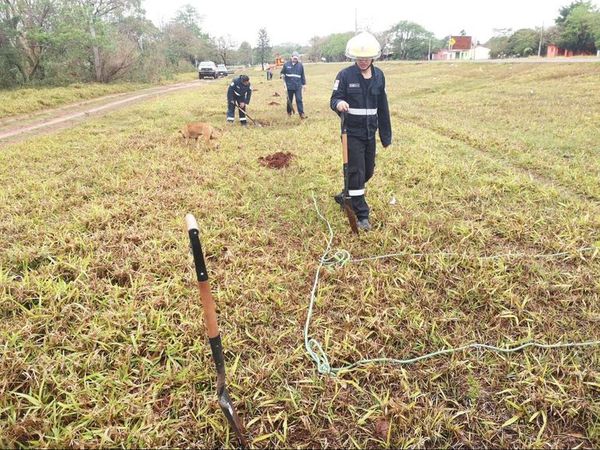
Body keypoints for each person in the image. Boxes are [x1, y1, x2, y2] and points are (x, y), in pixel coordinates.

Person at [330, 32, 392, 231]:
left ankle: (346, 194)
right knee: (356, 172)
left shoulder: (379, 76)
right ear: (354, 58)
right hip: (352, 133)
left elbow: (383, 106)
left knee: (368, 171)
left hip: (369, 133)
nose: (363, 61)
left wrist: (385, 135)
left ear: (373, 58)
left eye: (366, 58)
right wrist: (339, 103)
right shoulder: (345, 75)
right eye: (359, 58)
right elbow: (334, 99)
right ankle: (362, 215)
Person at [280, 51, 307, 118]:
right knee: (289, 100)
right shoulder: (286, 65)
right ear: (291, 57)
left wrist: (304, 84)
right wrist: (282, 75)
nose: (295, 59)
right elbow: (282, 73)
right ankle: (289, 113)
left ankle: (301, 114)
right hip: (289, 86)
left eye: (296, 58)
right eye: (294, 58)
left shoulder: (300, 65)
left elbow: (302, 75)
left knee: (299, 99)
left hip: (298, 86)